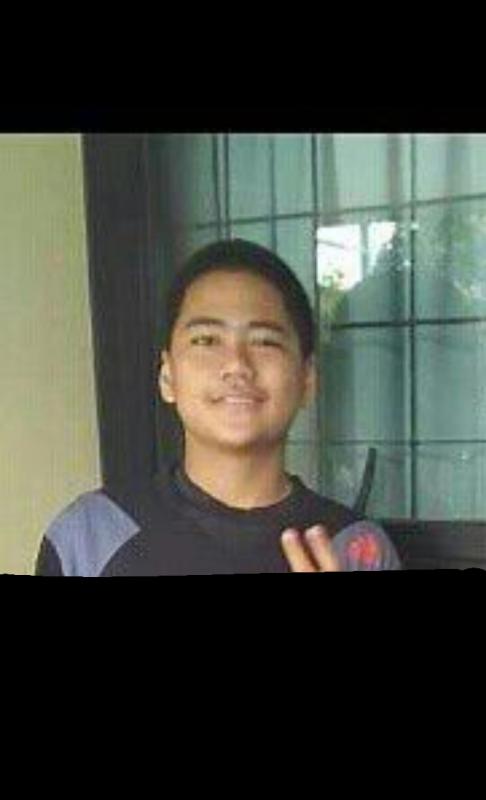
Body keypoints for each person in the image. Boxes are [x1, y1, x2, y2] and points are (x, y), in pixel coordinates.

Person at [35, 239, 400, 575]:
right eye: (207, 340)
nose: (237, 364)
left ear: (307, 380)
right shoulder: (90, 536)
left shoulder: (356, 548)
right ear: (168, 376)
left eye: (265, 342)